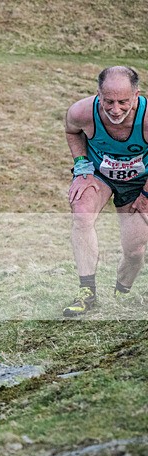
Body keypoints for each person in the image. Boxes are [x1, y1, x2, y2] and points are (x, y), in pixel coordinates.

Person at [64, 66, 148, 317]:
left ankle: (120, 294)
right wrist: (82, 168)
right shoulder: (81, 112)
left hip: (140, 183)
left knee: (134, 251)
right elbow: (72, 131)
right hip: (100, 177)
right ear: (98, 93)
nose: (115, 109)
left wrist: (146, 196)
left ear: (136, 95)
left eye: (123, 102)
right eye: (108, 101)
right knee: (81, 213)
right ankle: (87, 292)